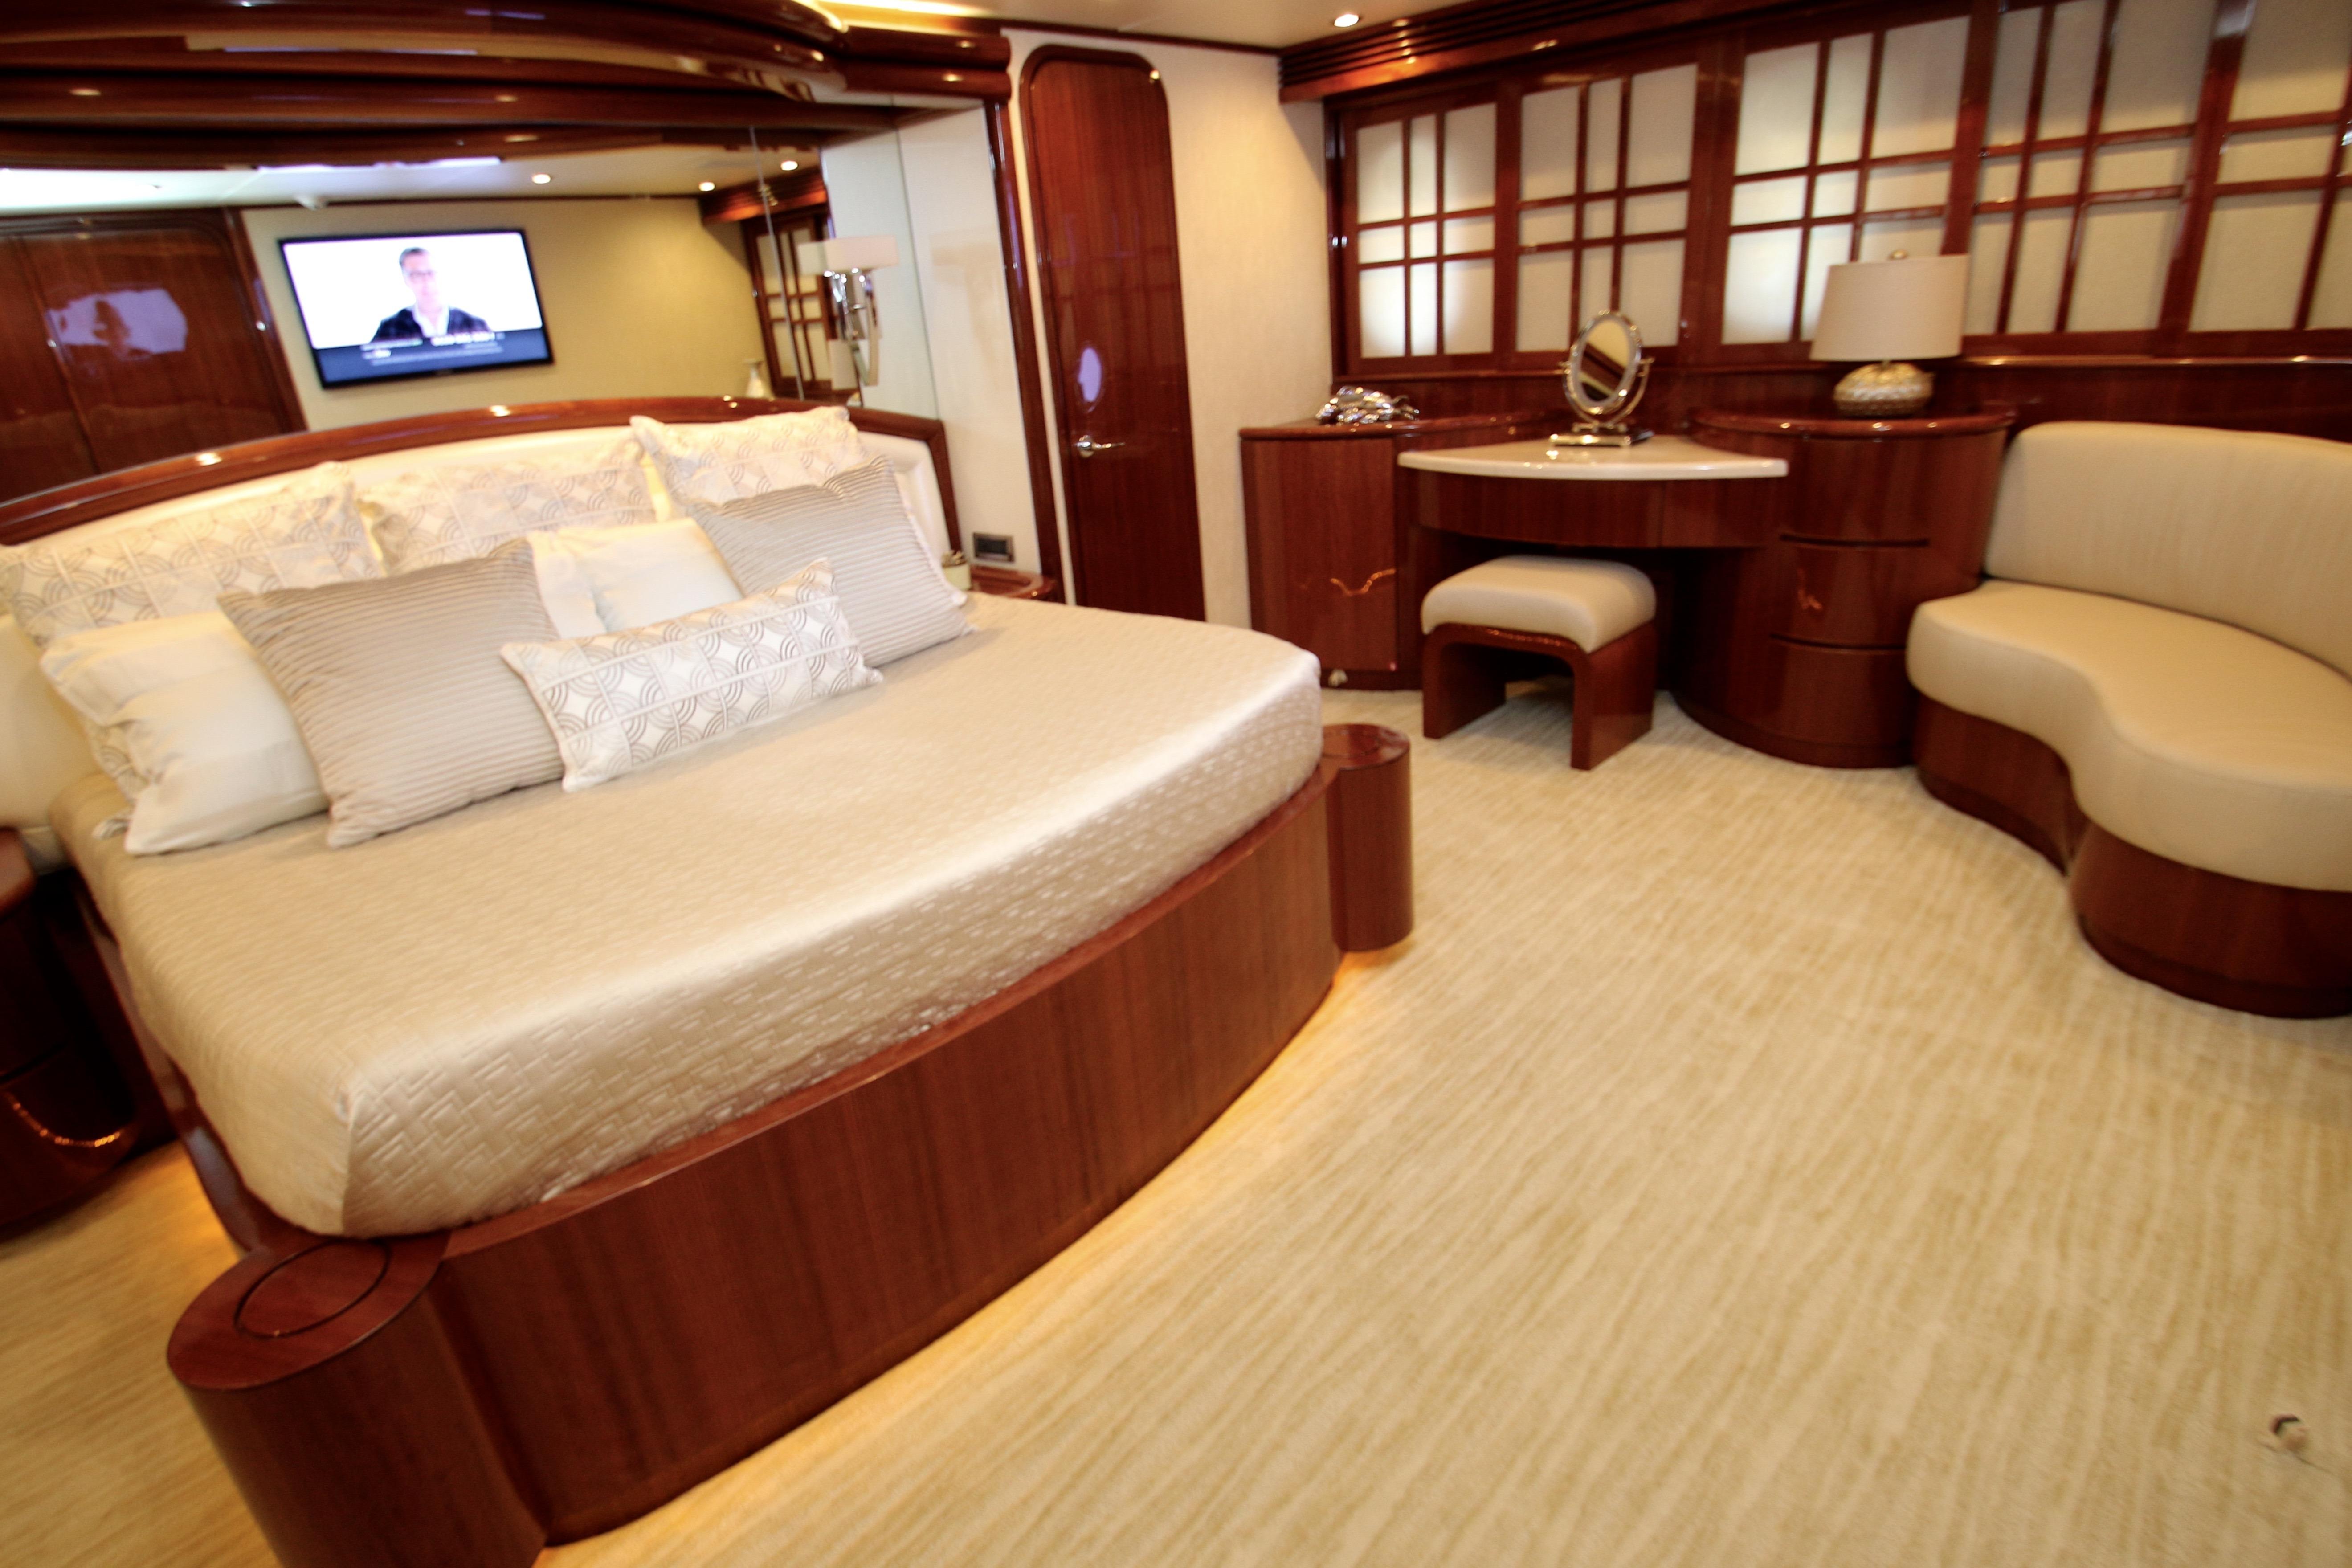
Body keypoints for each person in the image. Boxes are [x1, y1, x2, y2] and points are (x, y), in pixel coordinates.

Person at [370, 246, 489, 342]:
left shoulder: (474, 324)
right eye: (417, 275)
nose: (426, 281)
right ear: (406, 279)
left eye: (431, 273)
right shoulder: (390, 327)